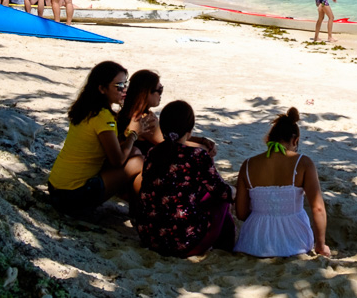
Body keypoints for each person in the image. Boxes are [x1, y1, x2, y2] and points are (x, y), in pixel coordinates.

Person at [47, 61, 152, 213]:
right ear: (102, 89)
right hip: (71, 197)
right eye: (119, 86)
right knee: (138, 162)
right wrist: (134, 134)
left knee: (134, 152)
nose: (124, 90)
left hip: (56, 188)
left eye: (125, 85)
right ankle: (139, 213)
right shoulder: (104, 117)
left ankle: (134, 207)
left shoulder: (86, 110)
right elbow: (117, 161)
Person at [135, 101, 235, 257]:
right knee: (221, 201)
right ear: (189, 130)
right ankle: (225, 245)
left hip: (149, 236)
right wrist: (234, 192)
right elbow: (222, 192)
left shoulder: (153, 152)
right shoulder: (197, 156)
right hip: (183, 242)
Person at [234, 108, 330, 258]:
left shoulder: (247, 165)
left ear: (269, 139)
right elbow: (318, 209)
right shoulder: (303, 163)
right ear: (295, 140)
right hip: (295, 241)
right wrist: (320, 245)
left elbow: (241, 213)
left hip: (254, 242)